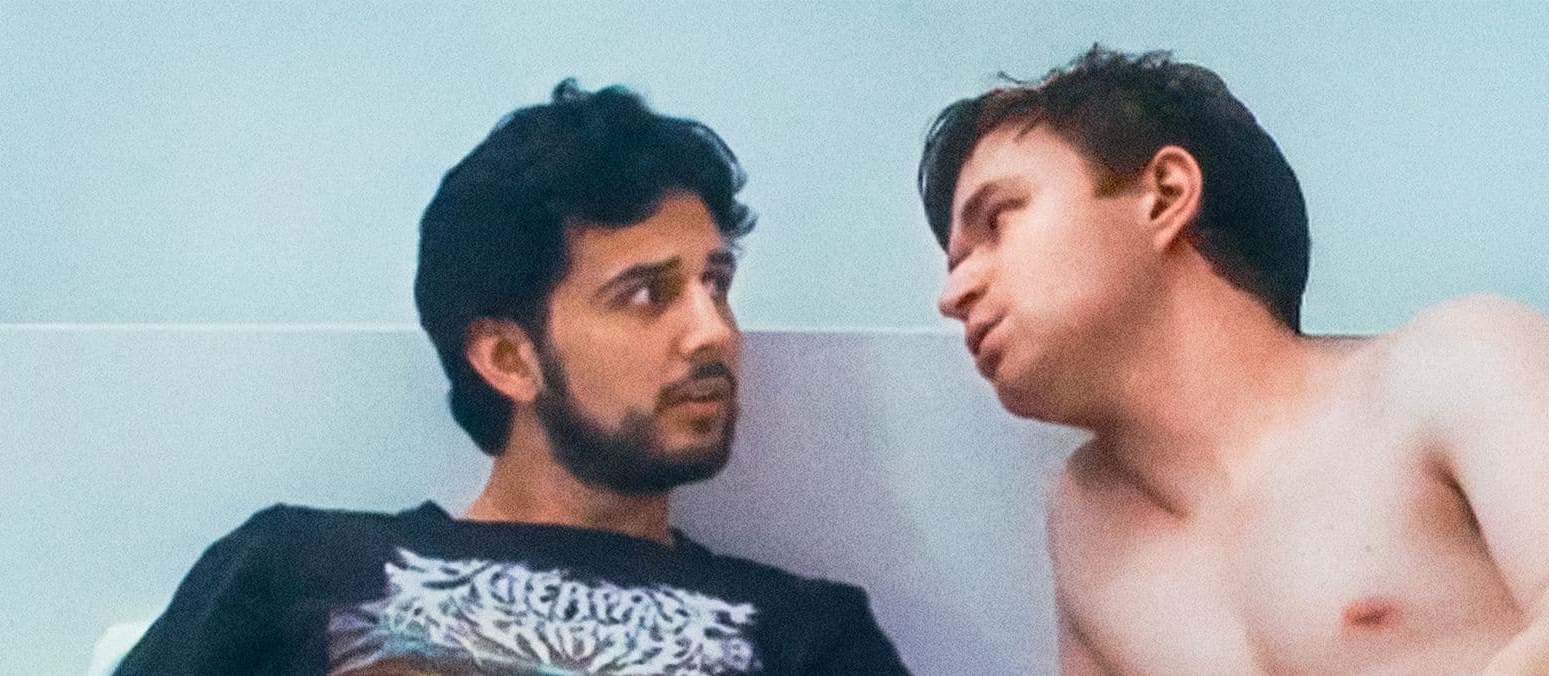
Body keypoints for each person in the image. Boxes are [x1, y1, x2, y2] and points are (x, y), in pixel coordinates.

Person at [116, 80, 911, 675]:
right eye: (646, 294)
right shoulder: (294, 569)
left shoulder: (809, 634)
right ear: (507, 358)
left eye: (717, 283)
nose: (715, 332)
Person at [919, 46, 1549, 674]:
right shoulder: (1087, 526)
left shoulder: (1456, 363)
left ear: (1165, 195)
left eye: (997, 222)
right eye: (955, 263)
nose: (952, 295)